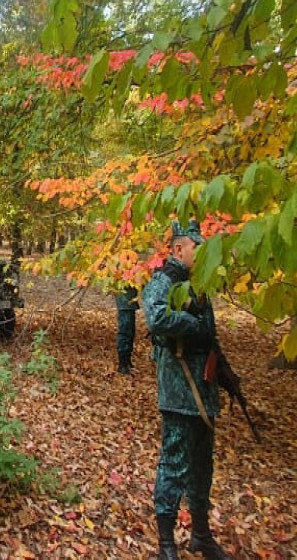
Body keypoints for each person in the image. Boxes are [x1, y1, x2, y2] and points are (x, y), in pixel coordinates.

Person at [142, 219, 234, 560]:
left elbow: (209, 335)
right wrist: (193, 326)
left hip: (202, 393)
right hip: (181, 393)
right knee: (173, 466)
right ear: (179, 249)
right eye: (197, 247)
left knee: (202, 468)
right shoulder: (163, 281)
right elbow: (157, 319)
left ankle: (201, 535)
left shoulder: (198, 285)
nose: (201, 252)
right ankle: (166, 544)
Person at [115, 284, 139, 375]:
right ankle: (122, 363)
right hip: (124, 297)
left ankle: (127, 359)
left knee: (130, 330)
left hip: (129, 297)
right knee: (125, 330)